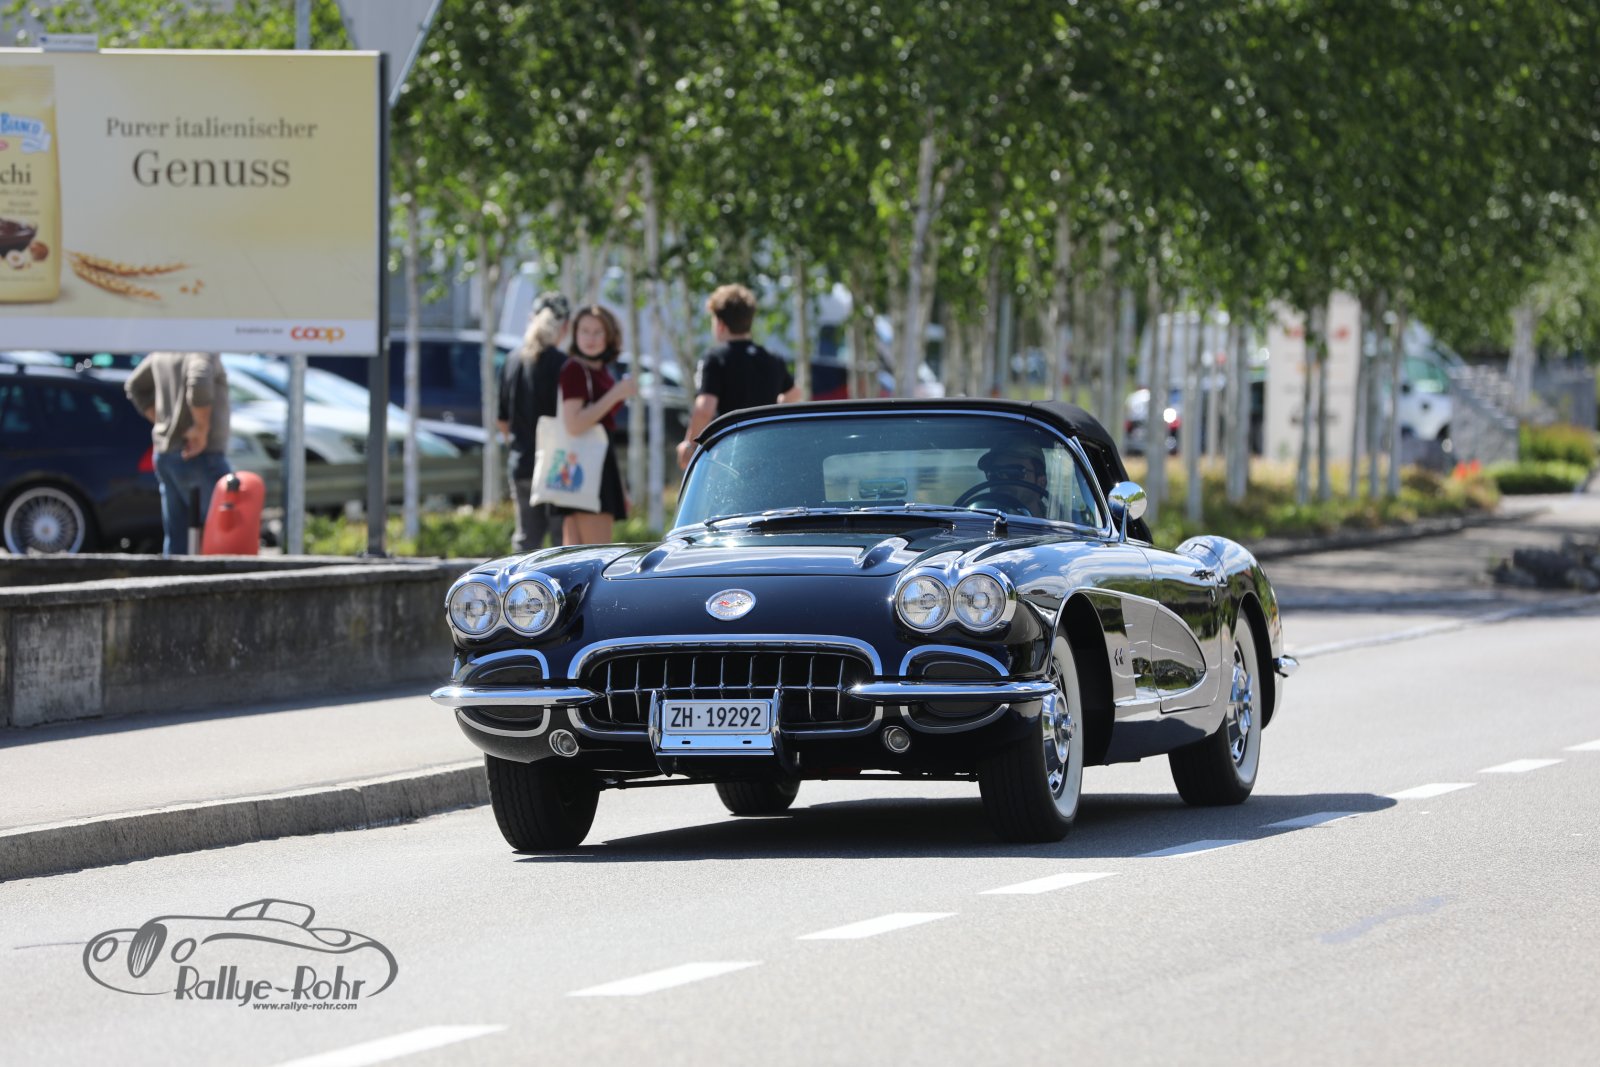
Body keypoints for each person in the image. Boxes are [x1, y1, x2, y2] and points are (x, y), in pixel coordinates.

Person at [676, 283, 802, 469]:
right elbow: (794, 394)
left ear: (720, 324)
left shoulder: (715, 358)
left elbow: (704, 409)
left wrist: (690, 446)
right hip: (767, 451)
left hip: (730, 454)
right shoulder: (773, 359)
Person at [124, 351, 233, 556]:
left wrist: (165, 422)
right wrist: (200, 429)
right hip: (199, 455)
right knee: (225, 531)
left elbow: (135, 385)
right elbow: (199, 379)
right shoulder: (201, 345)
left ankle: (176, 576)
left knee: (178, 540)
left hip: (167, 453)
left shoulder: (166, 348)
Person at [556, 305, 636, 544]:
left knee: (579, 556)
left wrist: (620, 487)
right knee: (593, 556)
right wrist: (616, 394)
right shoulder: (575, 369)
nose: (590, 339)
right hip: (585, 469)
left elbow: (604, 433)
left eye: (597, 332)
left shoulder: (601, 371)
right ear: (575, 334)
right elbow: (574, 424)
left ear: (609, 336)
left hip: (594, 466)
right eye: (584, 331)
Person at [498, 291, 571, 553]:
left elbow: (502, 421)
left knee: (526, 542)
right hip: (558, 465)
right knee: (561, 545)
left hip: (522, 462)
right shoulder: (565, 365)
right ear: (565, 327)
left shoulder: (511, 360)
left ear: (532, 319)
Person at [972, 440, 1050, 517]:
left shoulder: (1054, 522)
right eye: (993, 473)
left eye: (1014, 472)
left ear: (1041, 483)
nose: (1003, 479)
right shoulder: (976, 520)